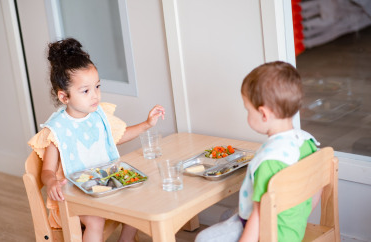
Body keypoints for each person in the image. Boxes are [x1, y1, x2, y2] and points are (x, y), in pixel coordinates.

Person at [28, 38, 165, 242]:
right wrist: (53, 182)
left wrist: (147, 124)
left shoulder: (99, 115)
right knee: (96, 221)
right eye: (85, 91)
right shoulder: (58, 129)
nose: (95, 96)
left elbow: (116, 137)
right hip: (76, 195)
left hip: (106, 184)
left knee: (137, 202)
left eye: (97, 87)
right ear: (64, 97)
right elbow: (47, 170)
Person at [195, 61, 321, 242]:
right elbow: (315, 190)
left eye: (248, 110)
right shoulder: (306, 142)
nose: (247, 114)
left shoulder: (268, 161)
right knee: (228, 217)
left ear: (263, 114)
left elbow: (259, 216)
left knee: (204, 238)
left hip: (271, 234)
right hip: (294, 226)